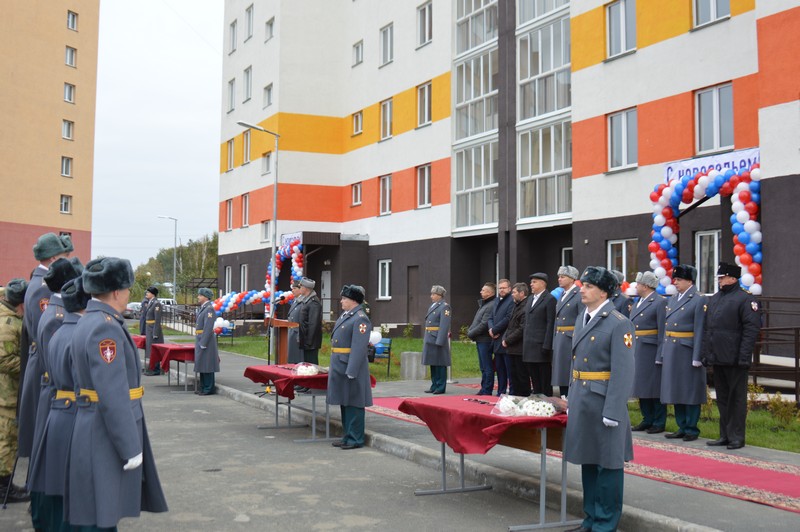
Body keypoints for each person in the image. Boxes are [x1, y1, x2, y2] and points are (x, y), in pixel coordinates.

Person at [69, 257, 168, 528]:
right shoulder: (105, 328)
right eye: (127, 289)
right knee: (103, 512)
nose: (128, 296)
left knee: (98, 509)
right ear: (115, 291)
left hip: (94, 424)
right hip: (104, 432)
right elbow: (112, 394)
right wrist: (129, 446)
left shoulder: (92, 320)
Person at [563, 267, 635, 532]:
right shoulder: (584, 316)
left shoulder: (618, 322)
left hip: (604, 402)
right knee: (589, 461)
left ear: (604, 291)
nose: (582, 289)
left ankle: (606, 523)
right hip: (583, 399)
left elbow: (624, 370)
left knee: (609, 465)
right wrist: (571, 399)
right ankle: (590, 519)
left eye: (589, 286)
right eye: (583, 285)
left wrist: (614, 410)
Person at [29, 276, 91, 530]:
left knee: (50, 471)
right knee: (59, 476)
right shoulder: (64, 324)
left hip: (58, 401)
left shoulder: (59, 320)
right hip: (65, 404)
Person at [19, 233, 71, 458]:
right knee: (42, 440)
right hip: (45, 365)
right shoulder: (42, 287)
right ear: (52, 259)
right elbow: (47, 333)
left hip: (41, 361)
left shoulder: (41, 282)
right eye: (62, 257)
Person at [702, 263, 761, 450]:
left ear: (733, 278)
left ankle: (736, 436)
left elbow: (751, 330)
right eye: (719, 278)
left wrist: (744, 357)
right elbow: (709, 329)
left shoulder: (745, 299)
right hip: (718, 356)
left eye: (722, 277)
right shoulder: (716, 298)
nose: (719, 280)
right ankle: (725, 434)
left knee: (736, 399)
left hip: (735, 358)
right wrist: (707, 353)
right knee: (723, 398)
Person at [658, 264, 706, 442]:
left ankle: (691, 428)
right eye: (674, 279)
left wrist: (697, 355)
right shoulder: (673, 298)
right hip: (672, 348)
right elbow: (666, 327)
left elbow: (700, 328)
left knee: (690, 390)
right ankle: (681, 425)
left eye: (679, 280)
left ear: (689, 281)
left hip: (687, 349)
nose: (675, 282)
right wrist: (663, 351)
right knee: (676, 388)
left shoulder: (698, 299)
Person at [327, 285, 373, 450]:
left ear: (353, 300)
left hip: (351, 366)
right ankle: (347, 436)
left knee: (354, 402)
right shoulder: (347, 315)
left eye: (344, 298)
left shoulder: (360, 318)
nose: (341, 301)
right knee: (344, 402)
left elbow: (359, 348)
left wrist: (352, 370)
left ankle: (356, 438)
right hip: (340, 364)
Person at [0, 279, 30, 503]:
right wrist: (30, 364)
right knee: (6, 441)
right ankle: (3, 488)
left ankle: (7, 484)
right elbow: (3, 360)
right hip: (6, 395)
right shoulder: (8, 323)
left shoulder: (12, 318)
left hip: (9, 393)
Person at [630, 271, 668, 434]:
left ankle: (659, 421)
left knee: (654, 387)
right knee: (641, 386)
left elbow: (662, 330)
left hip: (651, 349)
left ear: (645, 286)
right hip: (637, 348)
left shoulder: (659, 302)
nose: (636, 286)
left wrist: (661, 353)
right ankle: (647, 418)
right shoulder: (638, 301)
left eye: (638, 284)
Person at [522, 273, 557, 396]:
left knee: (544, 378)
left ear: (543, 283)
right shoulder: (530, 299)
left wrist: (547, 345)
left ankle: (547, 403)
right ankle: (537, 402)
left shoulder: (550, 299)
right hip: (529, 345)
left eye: (534, 282)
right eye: (531, 282)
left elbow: (550, 323)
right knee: (534, 378)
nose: (531, 284)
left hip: (541, 346)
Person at [553, 265, 582, 397]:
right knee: (561, 373)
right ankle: (564, 399)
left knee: (568, 372)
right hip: (560, 337)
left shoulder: (579, 294)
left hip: (570, 338)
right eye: (559, 276)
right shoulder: (562, 295)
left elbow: (582, 319)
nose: (559, 279)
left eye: (563, 277)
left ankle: (569, 400)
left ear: (572, 279)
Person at [467, 282, 496, 396]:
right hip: (480, 339)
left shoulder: (491, 305)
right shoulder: (485, 304)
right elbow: (477, 321)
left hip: (485, 340)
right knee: (483, 366)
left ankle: (487, 390)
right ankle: (484, 388)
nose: (481, 292)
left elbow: (484, 324)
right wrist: (471, 331)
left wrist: (470, 333)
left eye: (483, 290)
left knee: (487, 366)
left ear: (489, 293)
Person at [421, 285, 452, 394]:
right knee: (432, 363)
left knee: (440, 363)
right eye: (432, 294)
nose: (431, 296)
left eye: (434, 294)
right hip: (430, 338)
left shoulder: (444, 307)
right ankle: (434, 384)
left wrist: (440, 340)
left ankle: (440, 386)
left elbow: (444, 325)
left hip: (437, 338)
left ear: (440, 295)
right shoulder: (433, 306)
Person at [488, 279, 513, 396]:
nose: (501, 290)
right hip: (496, 340)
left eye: (504, 288)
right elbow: (490, 317)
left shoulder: (511, 300)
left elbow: (508, 318)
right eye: (500, 288)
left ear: (509, 288)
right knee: (499, 369)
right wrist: (491, 329)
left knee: (509, 369)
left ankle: (511, 392)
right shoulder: (497, 300)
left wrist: (495, 329)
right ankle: (500, 392)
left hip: (506, 339)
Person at [502, 283, 529, 395]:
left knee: (521, 376)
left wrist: (508, 340)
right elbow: (510, 325)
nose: (512, 295)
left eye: (514, 292)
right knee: (513, 376)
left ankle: (523, 398)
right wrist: (505, 338)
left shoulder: (525, 306)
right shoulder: (516, 305)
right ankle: (516, 397)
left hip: (519, 348)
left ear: (522, 293)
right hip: (512, 348)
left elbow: (521, 328)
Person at [194, 288, 221, 396]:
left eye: (200, 295)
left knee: (207, 364)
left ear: (205, 296)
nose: (198, 297)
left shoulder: (209, 309)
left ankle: (209, 388)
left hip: (206, 341)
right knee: (202, 364)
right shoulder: (204, 308)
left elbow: (208, 327)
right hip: (201, 339)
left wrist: (203, 342)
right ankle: (203, 387)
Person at [297, 277, 322, 365]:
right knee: (307, 365)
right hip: (306, 340)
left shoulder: (314, 302)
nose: (300, 288)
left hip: (310, 342)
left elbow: (313, 324)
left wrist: (308, 342)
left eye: (301, 287)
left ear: (305, 288)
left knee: (312, 365)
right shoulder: (306, 300)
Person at [143, 286, 164, 375]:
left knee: (154, 349)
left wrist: (155, 333)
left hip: (153, 329)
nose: (147, 294)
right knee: (150, 349)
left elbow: (157, 319)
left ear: (152, 294)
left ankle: (156, 369)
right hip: (149, 328)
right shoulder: (150, 302)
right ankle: (152, 368)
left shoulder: (156, 304)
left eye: (148, 292)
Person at [286, 280, 303, 364]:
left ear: (300, 289)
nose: (292, 290)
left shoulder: (303, 302)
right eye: (292, 288)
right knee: (291, 359)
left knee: (297, 359)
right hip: (291, 332)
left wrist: (300, 335)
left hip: (297, 333)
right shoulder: (295, 301)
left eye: (295, 288)